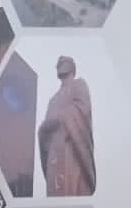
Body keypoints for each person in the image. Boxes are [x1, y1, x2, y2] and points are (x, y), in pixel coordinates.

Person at [39, 55, 95, 197]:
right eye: (58, 63)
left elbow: (83, 109)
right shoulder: (53, 100)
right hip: (54, 152)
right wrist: (43, 129)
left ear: (72, 67)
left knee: (72, 188)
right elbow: (46, 128)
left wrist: (60, 118)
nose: (60, 63)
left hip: (71, 147)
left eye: (64, 62)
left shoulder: (79, 85)